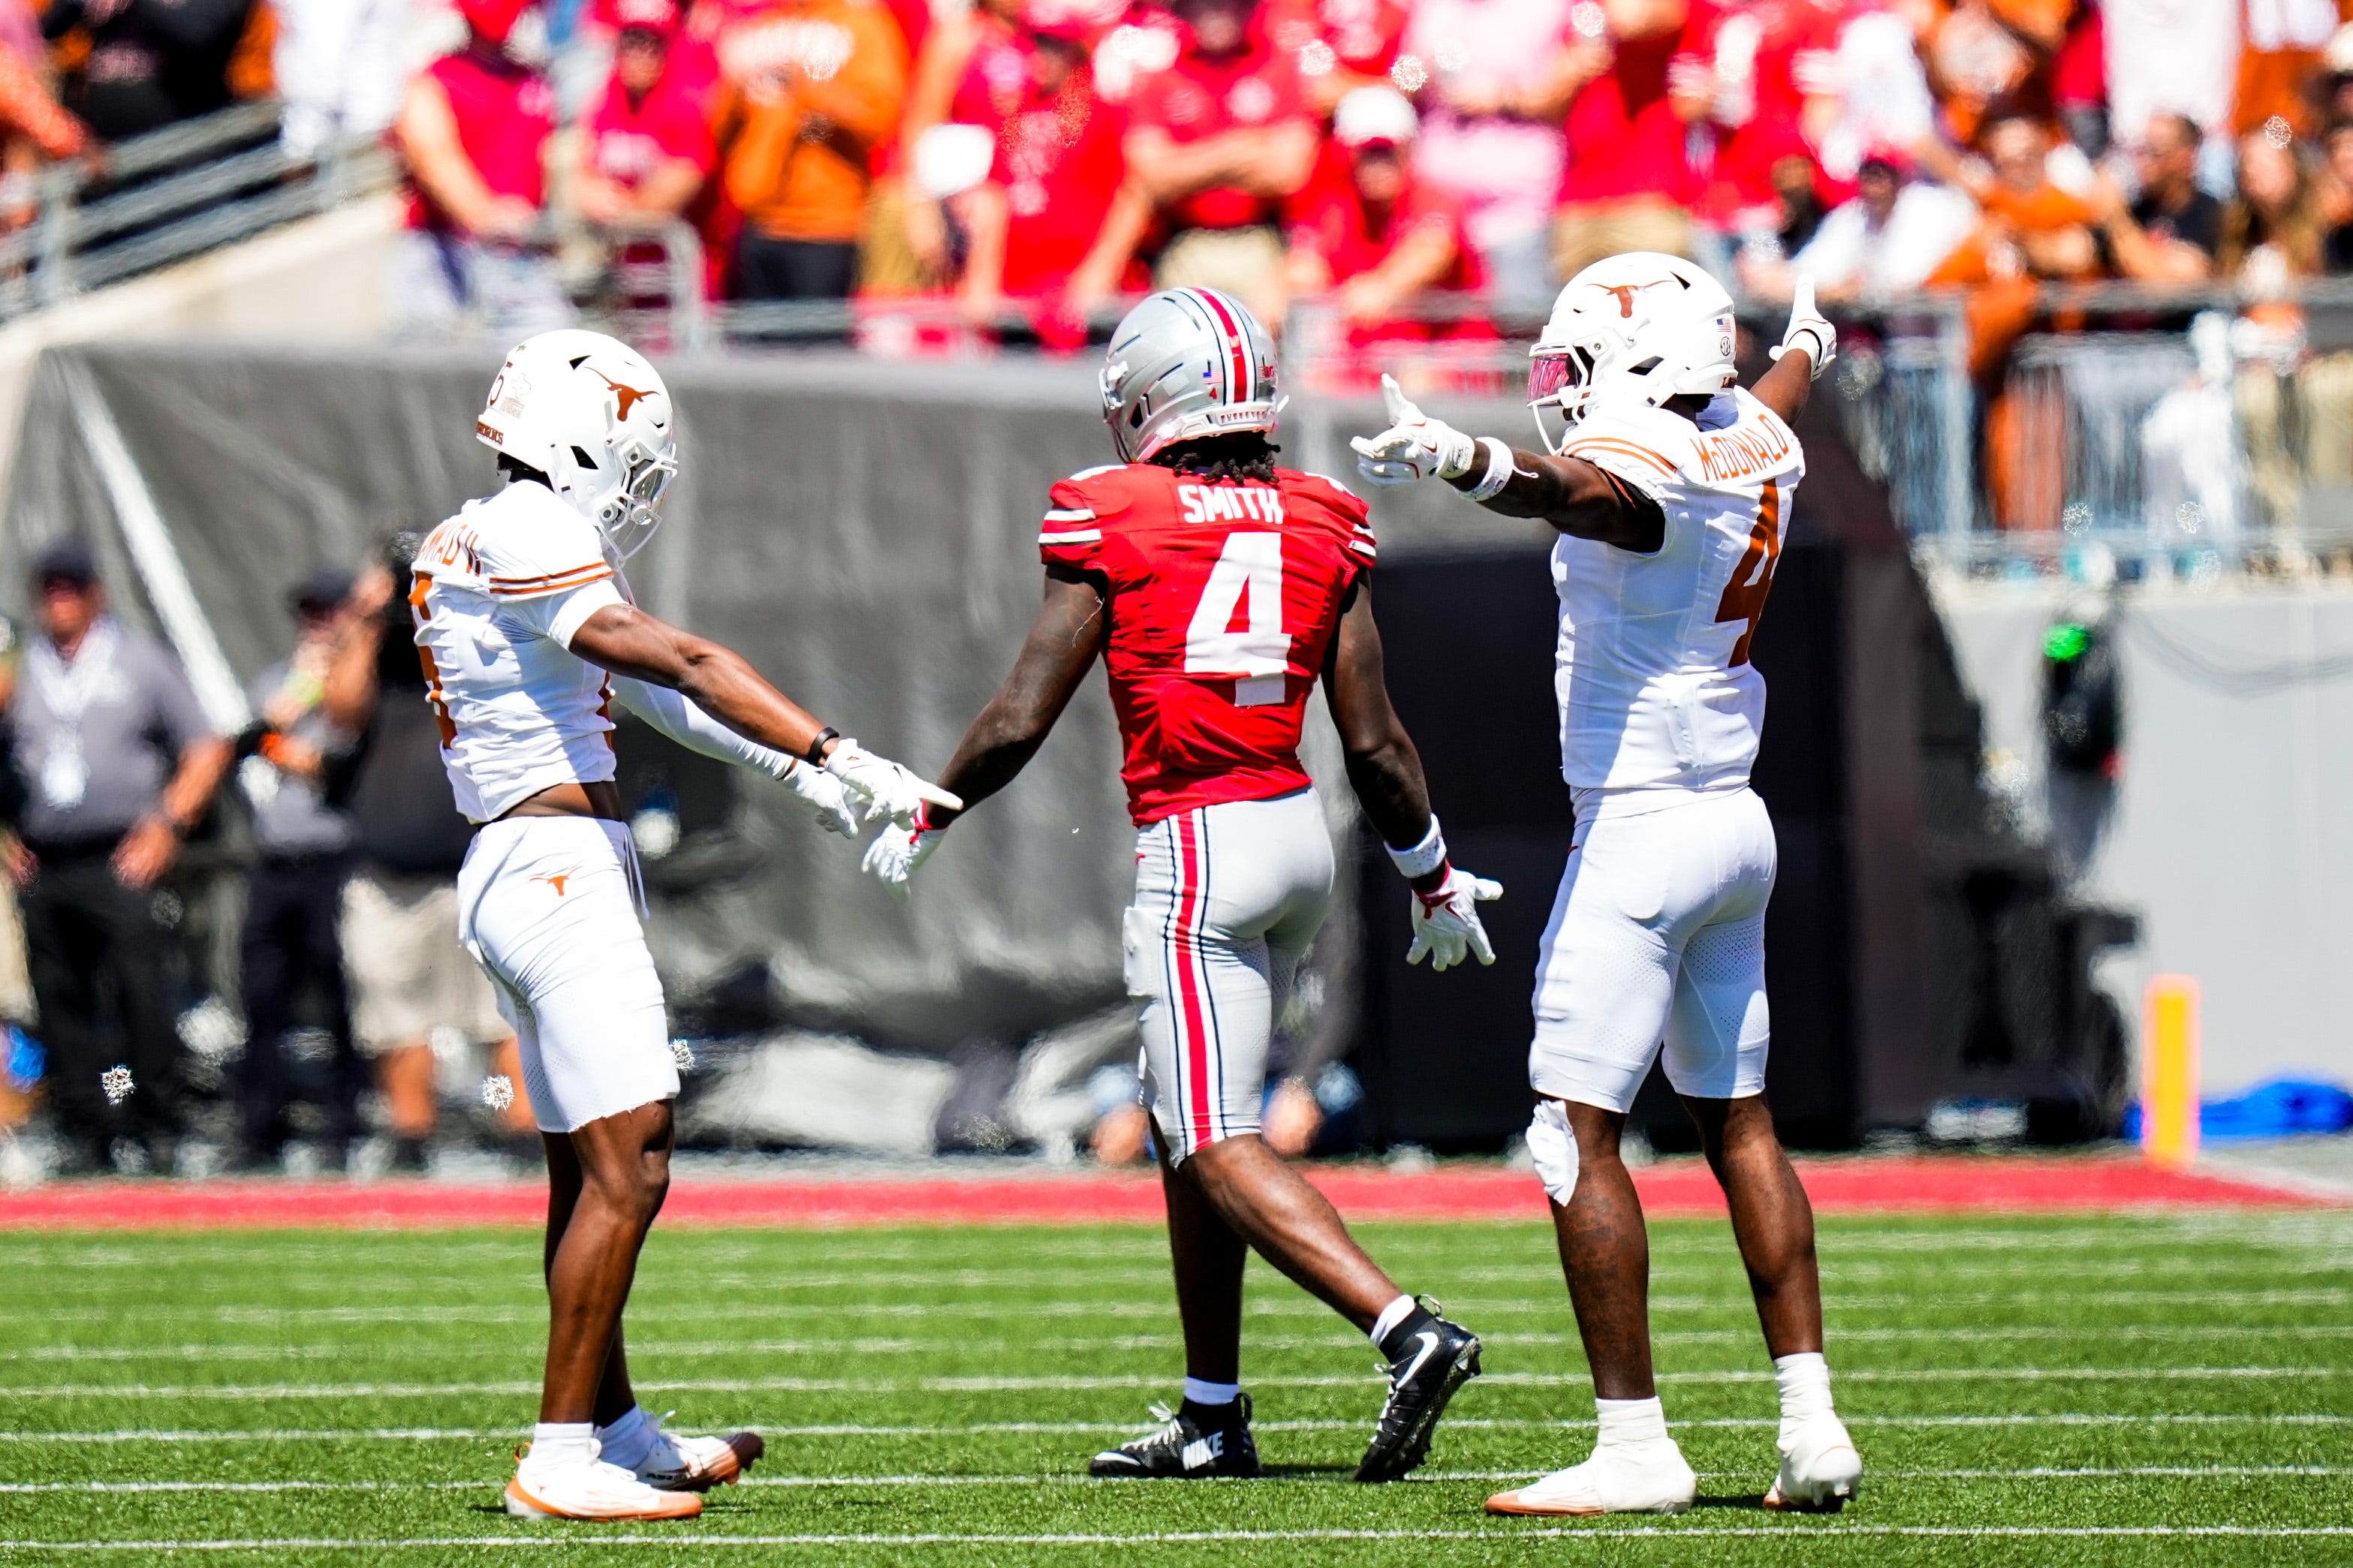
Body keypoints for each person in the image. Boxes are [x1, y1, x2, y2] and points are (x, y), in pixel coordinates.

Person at [862, 287, 1496, 1484]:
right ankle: (1212, 1414)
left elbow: (1019, 712)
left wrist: (931, 804)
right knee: (1184, 1125)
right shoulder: (1322, 514)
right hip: (1294, 831)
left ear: (1149, 397)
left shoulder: (1112, 512)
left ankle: (1404, 1329)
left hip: (1198, 849)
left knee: (1211, 1137)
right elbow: (1375, 743)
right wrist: (1432, 874)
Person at [1350, 254, 1862, 1515]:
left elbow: (1576, 490)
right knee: (1735, 1120)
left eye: (1578, 365)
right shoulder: (1748, 432)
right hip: (1733, 822)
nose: (1562, 389)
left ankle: (1633, 1441)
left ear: (1640, 363)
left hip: (1638, 829)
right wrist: (1802, 343)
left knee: (1564, 1127)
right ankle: (1810, 1423)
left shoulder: (1651, 470)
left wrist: (1459, 459)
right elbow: (1774, 397)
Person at [423, 328, 952, 1519]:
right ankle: (560, 1458)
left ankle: (610, 1424)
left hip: (525, 861)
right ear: (578, 434)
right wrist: (838, 748)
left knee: (587, 1163)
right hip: (552, 867)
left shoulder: (479, 532)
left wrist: (802, 776)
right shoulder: (529, 527)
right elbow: (688, 657)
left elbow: (651, 689)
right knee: (637, 1155)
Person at [0, 541, 230, 1173]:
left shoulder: (137, 661)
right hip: (46, 858)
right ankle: (86, 1125)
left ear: (95, 592)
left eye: (71, 588)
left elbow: (205, 747)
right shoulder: (23, 664)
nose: (60, 601)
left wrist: (166, 824)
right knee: (63, 1001)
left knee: (136, 996)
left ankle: (145, 1117)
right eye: (50, 589)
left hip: (121, 854)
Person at [321, 543, 532, 1172]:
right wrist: (364, 621)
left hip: (477, 864)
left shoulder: (472, 641)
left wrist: (449, 603)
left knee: (504, 1013)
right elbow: (338, 711)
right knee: (396, 1014)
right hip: (391, 876)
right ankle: (413, 1138)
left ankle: (523, 1136)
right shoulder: (375, 657)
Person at [230, 568, 368, 1171]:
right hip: (275, 858)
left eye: (328, 612)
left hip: (334, 857)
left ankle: (345, 1124)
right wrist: (293, 705)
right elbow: (254, 739)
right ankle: (262, 1124)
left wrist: (297, 741)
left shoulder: (359, 687)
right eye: (309, 612)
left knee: (340, 994)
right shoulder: (278, 680)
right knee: (263, 996)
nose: (318, 624)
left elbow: (337, 762)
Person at [1122, 0, 1320, 327]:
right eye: (1204, 4)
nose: (1218, 11)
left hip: (1263, 240)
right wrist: (1243, 147)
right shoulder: (1161, 81)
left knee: (1259, 349)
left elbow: (1290, 172)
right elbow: (1151, 178)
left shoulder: (1279, 70)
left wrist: (1187, 164)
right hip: (1185, 243)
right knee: (1184, 347)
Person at [389, 0, 572, 336]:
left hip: (517, 252)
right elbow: (434, 160)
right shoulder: (435, 80)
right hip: (442, 249)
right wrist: (488, 217)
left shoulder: (533, 81)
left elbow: (554, 165)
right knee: (428, 362)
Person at [710, 0, 908, 301]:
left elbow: (881, 117)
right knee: (755, 346)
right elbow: (720, 130)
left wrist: (807, 89)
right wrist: (735, 88)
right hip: (757, 226)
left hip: (827, 229)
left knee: (817, 344)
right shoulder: (762, 27)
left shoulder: (863, 26)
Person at [1283, 86, 1483, 342]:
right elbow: (1305, 264)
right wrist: (1286, 289)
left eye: (1386, 152)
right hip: (1372, 355)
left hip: (1445, 352)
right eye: (1367, 154)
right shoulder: (1335, 207)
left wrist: (1384, 287)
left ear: (1407, 150)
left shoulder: (1434, 198)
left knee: (1418, 377)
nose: (1377, 166)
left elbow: (1434, 250)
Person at [2093, 110, 2222, 281]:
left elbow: (2165, 280)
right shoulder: (2137, 210)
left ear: (2186, 158)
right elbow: (2075, 251)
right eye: (2140, 150)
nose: (2143, 162)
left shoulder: (2211, 215)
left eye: (2154, 152)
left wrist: (2116, 219)